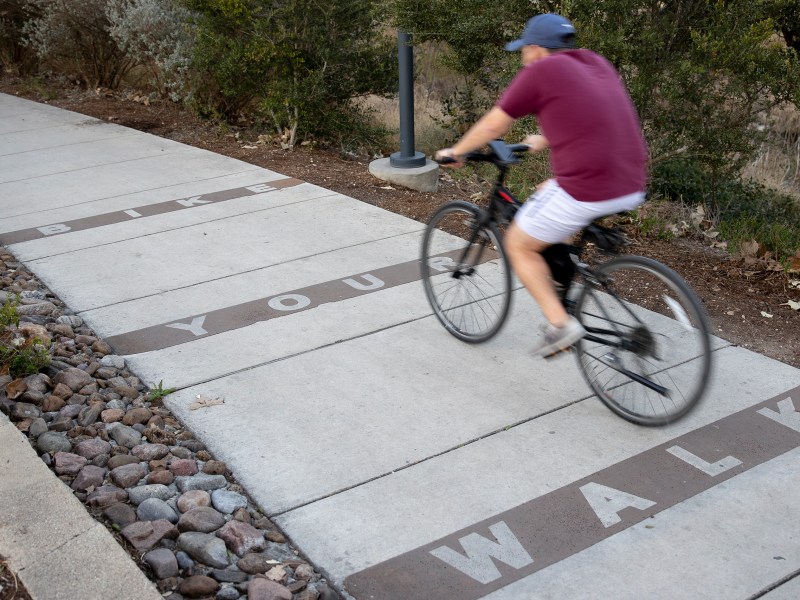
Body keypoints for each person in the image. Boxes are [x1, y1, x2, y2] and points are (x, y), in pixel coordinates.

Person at [436, 13, 648, 357]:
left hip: (590, 186)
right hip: (631, 179)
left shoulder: (540, 71)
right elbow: (594, 114)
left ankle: (560, 325)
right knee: (546, 195)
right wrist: (546, 137)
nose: (522, 56)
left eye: (523, 49)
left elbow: (494, 125)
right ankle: (564, 283)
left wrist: (457, 151)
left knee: (518, 243)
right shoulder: (595, 62)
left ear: (535, 49)